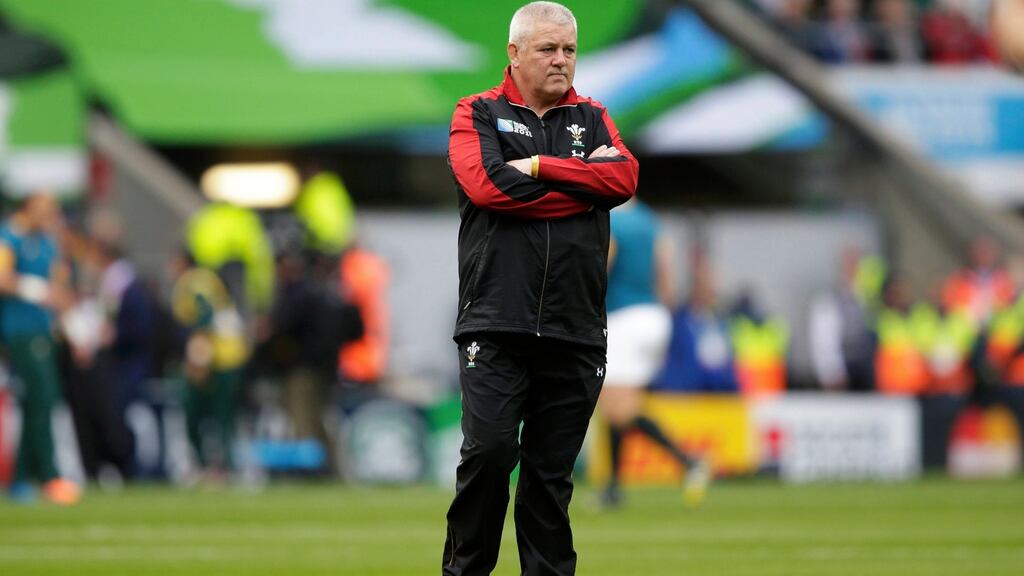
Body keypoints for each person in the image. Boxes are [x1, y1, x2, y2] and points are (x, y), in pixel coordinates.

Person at [442, 3, 638, 574]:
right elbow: (487, 189)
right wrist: (585, 184)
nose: (561, 60)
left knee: (550, 480)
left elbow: (623, 178)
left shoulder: (595, 116)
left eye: (569, 50)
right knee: (489, 454)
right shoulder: (476, 111)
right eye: (548, 49)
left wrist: (537, 167)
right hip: (496, 322)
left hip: (574, 327)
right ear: (515, 53)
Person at [598, 198, 709, 510]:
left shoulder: (613, 221)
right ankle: (614, 489)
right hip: (653, 316)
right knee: (621, 405)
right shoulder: (650, 220)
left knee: (617, 408)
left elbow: (602, 268)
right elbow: (665, 273)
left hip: (624, 316)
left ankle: (688, 461)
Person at [0, 191, 80, 504]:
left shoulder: (49, 242)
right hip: (20, 331)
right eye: (43, 210)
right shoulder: (10, 236)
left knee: (39, 402)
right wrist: (38, 290)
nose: (48, 217)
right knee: (42, 397)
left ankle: (22, 477)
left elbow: (61, 290)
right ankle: (48, 474)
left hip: (44, 331)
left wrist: (72, 329)